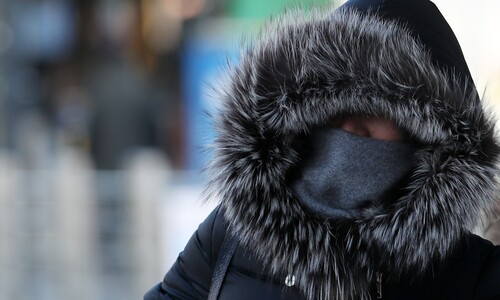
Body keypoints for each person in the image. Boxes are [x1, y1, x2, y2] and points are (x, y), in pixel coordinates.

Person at [145, 0, 500, 299]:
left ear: (429, 136)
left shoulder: (468, 272)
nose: (348, 126)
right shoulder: (233, 232)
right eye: (330, 103)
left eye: (375, 107)